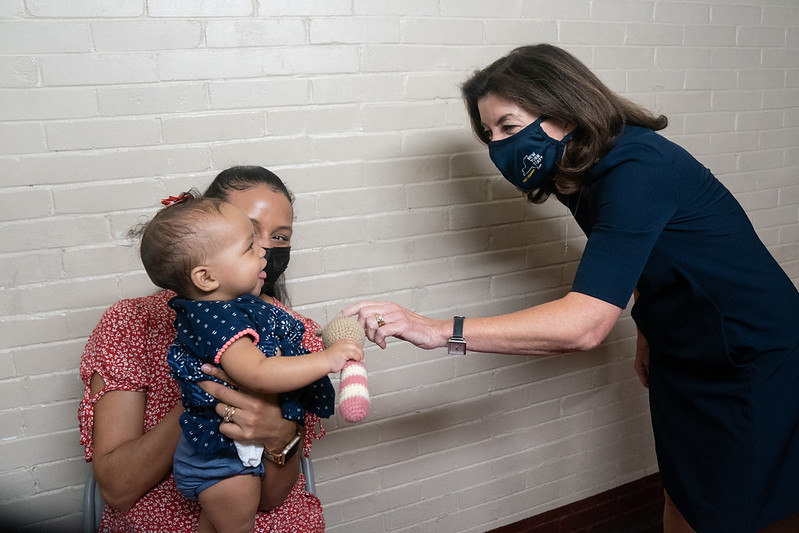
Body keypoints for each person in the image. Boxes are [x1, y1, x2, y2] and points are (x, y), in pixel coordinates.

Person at [342, 44, 799, 533]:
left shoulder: (638, 167)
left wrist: (436, 330)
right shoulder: (578, 175)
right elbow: (638, 265)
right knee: (688, 489)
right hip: (683, 350)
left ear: (563, 108)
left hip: (751, 355)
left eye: (509, 127)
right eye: (489, 135)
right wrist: (650, 333)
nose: (498, 145)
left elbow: (584, 326)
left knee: (751, 506)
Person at [79, 165, 337, 532]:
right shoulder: (132, 323)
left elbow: (273, 500)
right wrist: (206, 394)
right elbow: (118, 489)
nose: (265, 249)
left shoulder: (293, 334)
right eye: (250, 233)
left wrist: (280, 435)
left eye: (280, 237)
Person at [129, 190, 362, 533]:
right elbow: (259, 373)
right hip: (222, 463)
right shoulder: (219, 320)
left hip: (220, 457)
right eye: (249, 247)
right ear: (206, 278)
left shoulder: (227, 308)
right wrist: (326, 359)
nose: (263, 252)